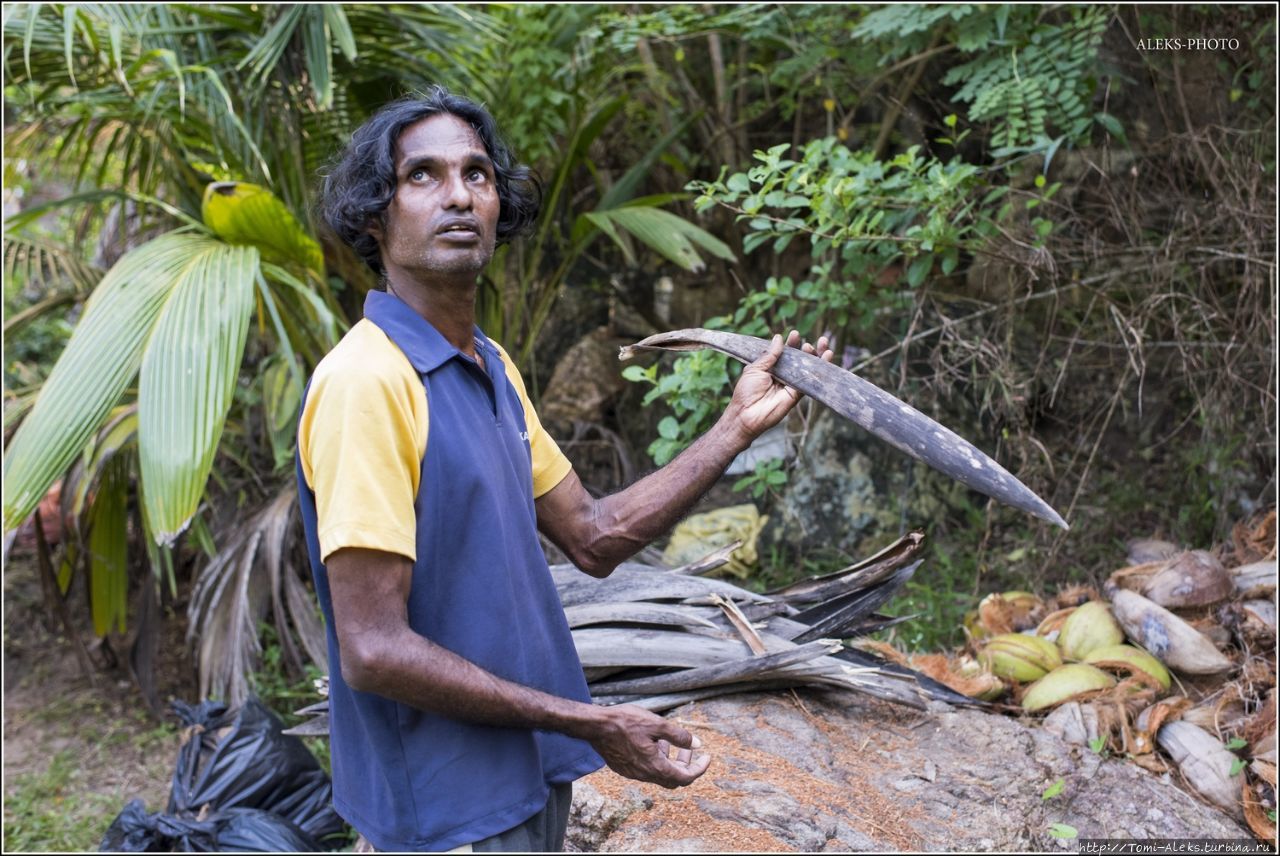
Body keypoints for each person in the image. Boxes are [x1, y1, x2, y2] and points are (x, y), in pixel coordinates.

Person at [297, 87, 832, 853]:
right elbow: (373, 647)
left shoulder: (490, 368)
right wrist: (590, 720)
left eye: (477, 174)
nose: (458, 195)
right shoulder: (368, 382)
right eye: (422, 175)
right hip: (445, 807)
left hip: (525, 776)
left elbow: (595, 534)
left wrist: (735, 426)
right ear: (373, 218)